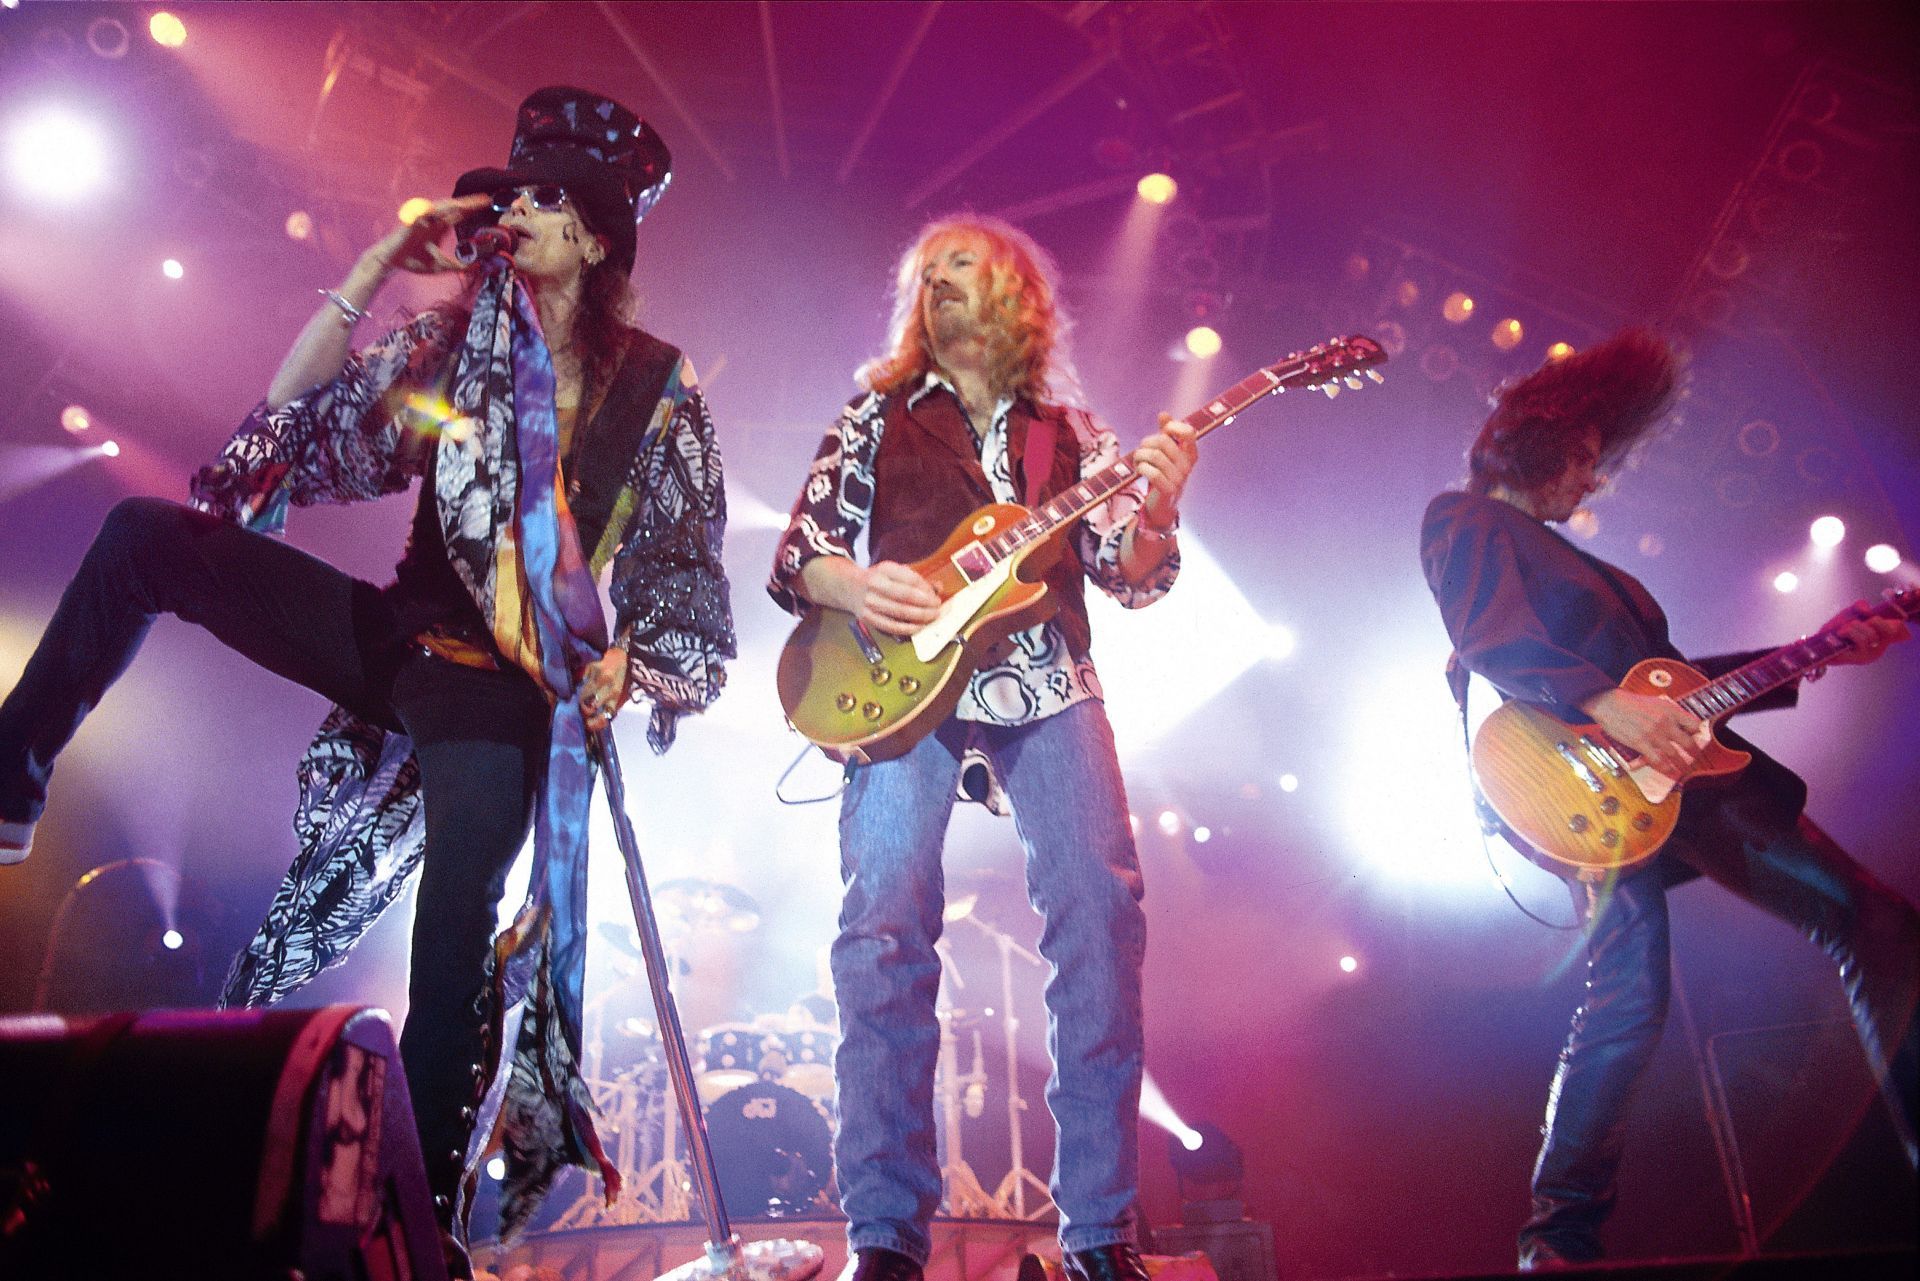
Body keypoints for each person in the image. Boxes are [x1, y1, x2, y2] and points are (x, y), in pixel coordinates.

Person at [0, 86, 734, 1270]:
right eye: (510, 196)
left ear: (597, 235)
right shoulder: (449, 344)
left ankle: (430, 1235)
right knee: (146, 537)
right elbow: (277, 437)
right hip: (399, 637)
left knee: (453, 936)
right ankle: (8, 784)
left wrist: (630, 668)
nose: (516, 217)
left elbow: (693, 601)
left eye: (545, 199)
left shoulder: (656, 389)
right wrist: (376, 263)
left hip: (510, 688)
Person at [1419, 328, 1919, 1269]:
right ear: (1544, 434)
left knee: (1872, 932)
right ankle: (1556, 1241)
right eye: (1587, 456)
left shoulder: (1591, 568)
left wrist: (1817, 648)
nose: (1596, 480)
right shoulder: (1464, 518)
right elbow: (1489, 637)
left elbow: (1677, 690)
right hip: (1579, 776)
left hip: (1674, 778)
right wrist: (1607, 705)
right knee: (1637, 990)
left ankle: (1557, 1240)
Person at [768, 215, 1197, 1281]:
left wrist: (1162, 508)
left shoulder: (1071, 432)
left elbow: (1133, 574)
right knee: (883, 931)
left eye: (960, 266)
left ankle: (1099, 1232)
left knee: (1100, 912)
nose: (937, 283)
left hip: (1046, 675)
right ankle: (885, 1236)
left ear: (1011, 293)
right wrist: (854, 583)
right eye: (924, 272)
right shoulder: (878, 413)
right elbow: (799, 553)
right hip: (898, 688)